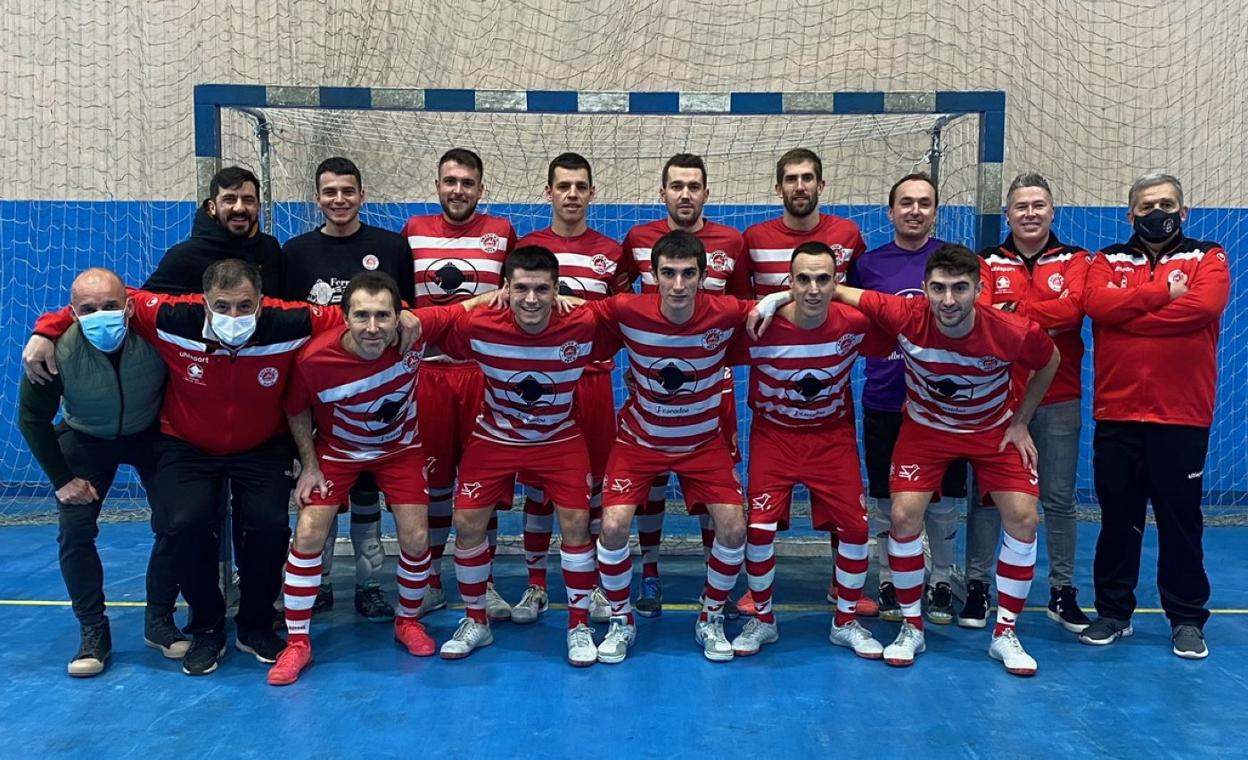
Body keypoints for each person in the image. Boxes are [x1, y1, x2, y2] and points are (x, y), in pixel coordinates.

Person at [30, 259, 352, 675]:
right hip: (186, 444)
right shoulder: (170, 318)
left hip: (263, 444)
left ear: (262, 302)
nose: (233, 316)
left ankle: (255, 624)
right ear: (204, 302)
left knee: (269, 526)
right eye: (222, 306)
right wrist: (47, 328)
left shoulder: (292, 321)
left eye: (244, 306)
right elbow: (106, 300)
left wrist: (411, 319)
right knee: (184, 524)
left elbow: (363, 313)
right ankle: (206, 628)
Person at [825, 244, 1059, 676]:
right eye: (938, 288)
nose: (948, 300)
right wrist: (774, 299)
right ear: (925, 289)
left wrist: (1022, 421)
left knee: (1024, 518)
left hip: (992, 429)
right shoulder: (905, 314)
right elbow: (835, 291)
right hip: (925, 430)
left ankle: (1005, 633)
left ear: (979, 290)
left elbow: (1050, 361)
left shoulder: (1012, 330)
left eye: (959, 288)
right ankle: (911, 627)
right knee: (902, 516)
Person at [268, 271, 489, 685]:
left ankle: (408, 621)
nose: (373, 327)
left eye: (383, 316)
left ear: (399, 315)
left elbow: (468, 306)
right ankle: (297, 642)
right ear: (345, 317)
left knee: (417, 536)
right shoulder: (314, 359)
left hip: (400, 451)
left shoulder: (414, 335)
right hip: (337, 452)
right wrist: (310, 465)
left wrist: (509, 291)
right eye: (362, 316)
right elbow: (295, 408)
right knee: (309, 531)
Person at [434, 246, 618, 665]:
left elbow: (633, 314)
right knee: (466, 523)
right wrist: (476, 300)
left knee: (577, 524)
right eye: (521, 289)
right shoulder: (480, 324)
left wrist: (582, 303)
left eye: (541, 289)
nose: (531, 299)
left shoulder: (583, 322)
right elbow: (426, 325)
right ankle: (476, 621)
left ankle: (578, 626)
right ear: (506, 289)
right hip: (495, 437)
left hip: (558, 438)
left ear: (557, 290)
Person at [587, 229, 760, 663]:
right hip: (639, 441)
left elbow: (773, 307)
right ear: (653, 275)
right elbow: (575, 311)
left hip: (702, 443)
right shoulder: (628, 309)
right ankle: (621, 619)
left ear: (703, 276)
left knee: (734, 528)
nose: (678, 285)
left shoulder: (725, 311)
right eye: (668, 274)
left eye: (688, 274)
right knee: (612, 526)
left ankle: (710, 616)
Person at [1080, 172, 1229, 659]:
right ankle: (1113, 613)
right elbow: (1097, 305)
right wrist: (1162, 295)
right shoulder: (1107, 260)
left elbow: (1204, 306)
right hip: (1117, 413)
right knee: (1117, 519)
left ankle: (1186, 618)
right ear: (1130, 215)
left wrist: (1131, 318)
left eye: (1166, 204)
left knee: (1180, 521)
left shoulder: (1208, 255)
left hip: (1181, 416)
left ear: (1183, 212)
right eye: (1146, 206)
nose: (1156, 213)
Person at [726, 242, 891, 658]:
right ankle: (763, 620)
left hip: (830, 438)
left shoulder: (855, 324)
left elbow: (907, 321)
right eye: (803, 279)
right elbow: (702, 334)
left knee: (855, 529)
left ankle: (845, 622)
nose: (813, 289)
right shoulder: (759, 324)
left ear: (837, 282)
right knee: (759, 529)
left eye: (823, 279)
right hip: (774, 437)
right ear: (790, 282)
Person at [17, 268, 183, 677]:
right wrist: (62, 481)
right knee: (75, 531)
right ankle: (93, 631)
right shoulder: (55, 351)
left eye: (110, 306)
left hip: (150, 434)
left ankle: (160, 621)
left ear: (129, 307)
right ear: (72, 314)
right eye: (88, 310)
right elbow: (32, 419)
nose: (100, 316)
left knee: (179, 521)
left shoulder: (156, 338)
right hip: (85, 437)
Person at [279, 156, 417, 623]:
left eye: (347, 191)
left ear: (361, 195)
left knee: (367, 498)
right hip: (323, 395)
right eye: (329, 192)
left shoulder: (391, 246)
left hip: (380, 397)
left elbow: (407, 313)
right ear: (317, 197)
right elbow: (289, 321)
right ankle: (316, 583)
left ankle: (369, 586)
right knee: (319, 497)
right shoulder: (296, 252)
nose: (339, 200)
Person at [619, 154, 750, 618]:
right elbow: (622, 302)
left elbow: (742, 306)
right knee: (650, 481)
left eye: (694, 186)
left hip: (712, 383)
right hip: (653, 381)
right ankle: (650, 572)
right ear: (663, 193)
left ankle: (717, 586)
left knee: (714, 488)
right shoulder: (638, 240)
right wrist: (635, 363)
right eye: (677, 186)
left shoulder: (731, 241)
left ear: (706, 193)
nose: (686, 194)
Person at [512, 153, 630, 624]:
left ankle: (597, 583)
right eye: (563, 186)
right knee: (539, 488)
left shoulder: (611, 252)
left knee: (596, 486)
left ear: (592, 193)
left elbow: (623, 316)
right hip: (540, 386)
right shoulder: (527, 247)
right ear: (549, 192)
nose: (572, 194)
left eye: (581, 186)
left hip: (594, 383)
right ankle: (536, 584)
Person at [400, 148, 517, 621]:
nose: (458, 190)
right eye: (450, 181)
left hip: (483, 375)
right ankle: (429, 580)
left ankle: (482, 581)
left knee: (482, 483)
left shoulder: (502, 232)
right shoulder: (413, 231)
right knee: (432, 483)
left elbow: (516, 297)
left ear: (480, 188)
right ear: (437, 186)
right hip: (427, 373)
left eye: (467, 182)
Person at [971, 172, 1092, 633]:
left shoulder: (1077, 259)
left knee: (1059, 499)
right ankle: (978, 586)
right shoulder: (985, 261)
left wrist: (1013, 313)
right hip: (997, 401)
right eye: (1021, 206)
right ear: (1007, 214)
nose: (1030, 213)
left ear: (1052, 212)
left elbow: (1074, 310)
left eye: (1038, 205)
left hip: (1059, 397)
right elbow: (982, 316)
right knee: (988, 497)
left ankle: (1062, 591)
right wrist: (1043, 314)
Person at [844, 172, 961, 624]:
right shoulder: (868, 266)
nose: (915, 210)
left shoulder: (955, 260)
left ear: (935, 212)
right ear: (890, 211)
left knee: (944, 498)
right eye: (906, 203)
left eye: (924, 203)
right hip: (884, 397)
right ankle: (890, 578)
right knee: (885, 497)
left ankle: (942, 580)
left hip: (944, 403)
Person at [144, 166, 284, 296]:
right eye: (229, 200)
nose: (239, 208)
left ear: (258, 207)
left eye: (248, 200)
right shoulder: (184, 256)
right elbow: (146, 305)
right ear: (212, 207)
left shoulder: (269, 249)